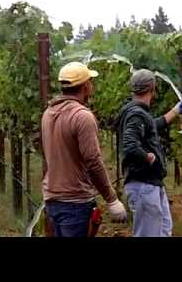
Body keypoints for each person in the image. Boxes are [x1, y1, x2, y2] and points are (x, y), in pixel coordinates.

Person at [41, 61, 127, 237]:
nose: (92, 85)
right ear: (85, 86)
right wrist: (112, 199)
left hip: (52, 199)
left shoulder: (48, 114)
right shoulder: (82, 116)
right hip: (76, 202)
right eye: (90, 81)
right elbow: (93, 161)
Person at [116, 69, 182, 237]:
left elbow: (152, 126)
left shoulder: (137, 111)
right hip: (143, 184)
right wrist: (148, 157)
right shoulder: (136, 113)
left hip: (151, 183)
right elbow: (130, 144)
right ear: (152, 88)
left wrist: (176, 110)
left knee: (164, 229)